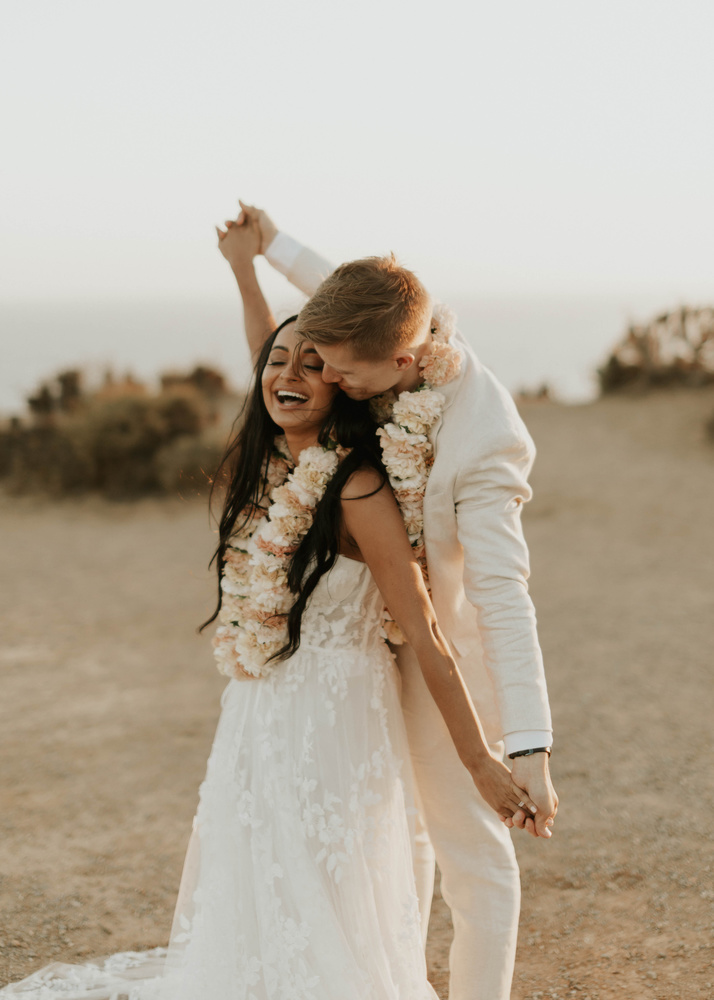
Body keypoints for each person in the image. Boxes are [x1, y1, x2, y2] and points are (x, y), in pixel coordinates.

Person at [0, 220, 534, 999]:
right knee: (260, 870)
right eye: (281, 362)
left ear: (345, 385)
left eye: (317, 367)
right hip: (261, 707)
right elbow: (277, 358)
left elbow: (425, 631)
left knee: (331, 881)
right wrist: (247, 269)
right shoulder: (278, 458)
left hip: (340, 715)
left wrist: (485, 759)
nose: (291, 373)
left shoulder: (357, 486)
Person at [218, 202, 559, 1000]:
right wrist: (266, 249)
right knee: (390, 838)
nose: (325, 379)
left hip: (444, 647)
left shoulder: (485, 444)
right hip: (359, 651)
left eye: (341, 372)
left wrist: (527, 751)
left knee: (470, 851)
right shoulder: (387, 328)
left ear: (404, 362)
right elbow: (328, 315)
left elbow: (504, 595)